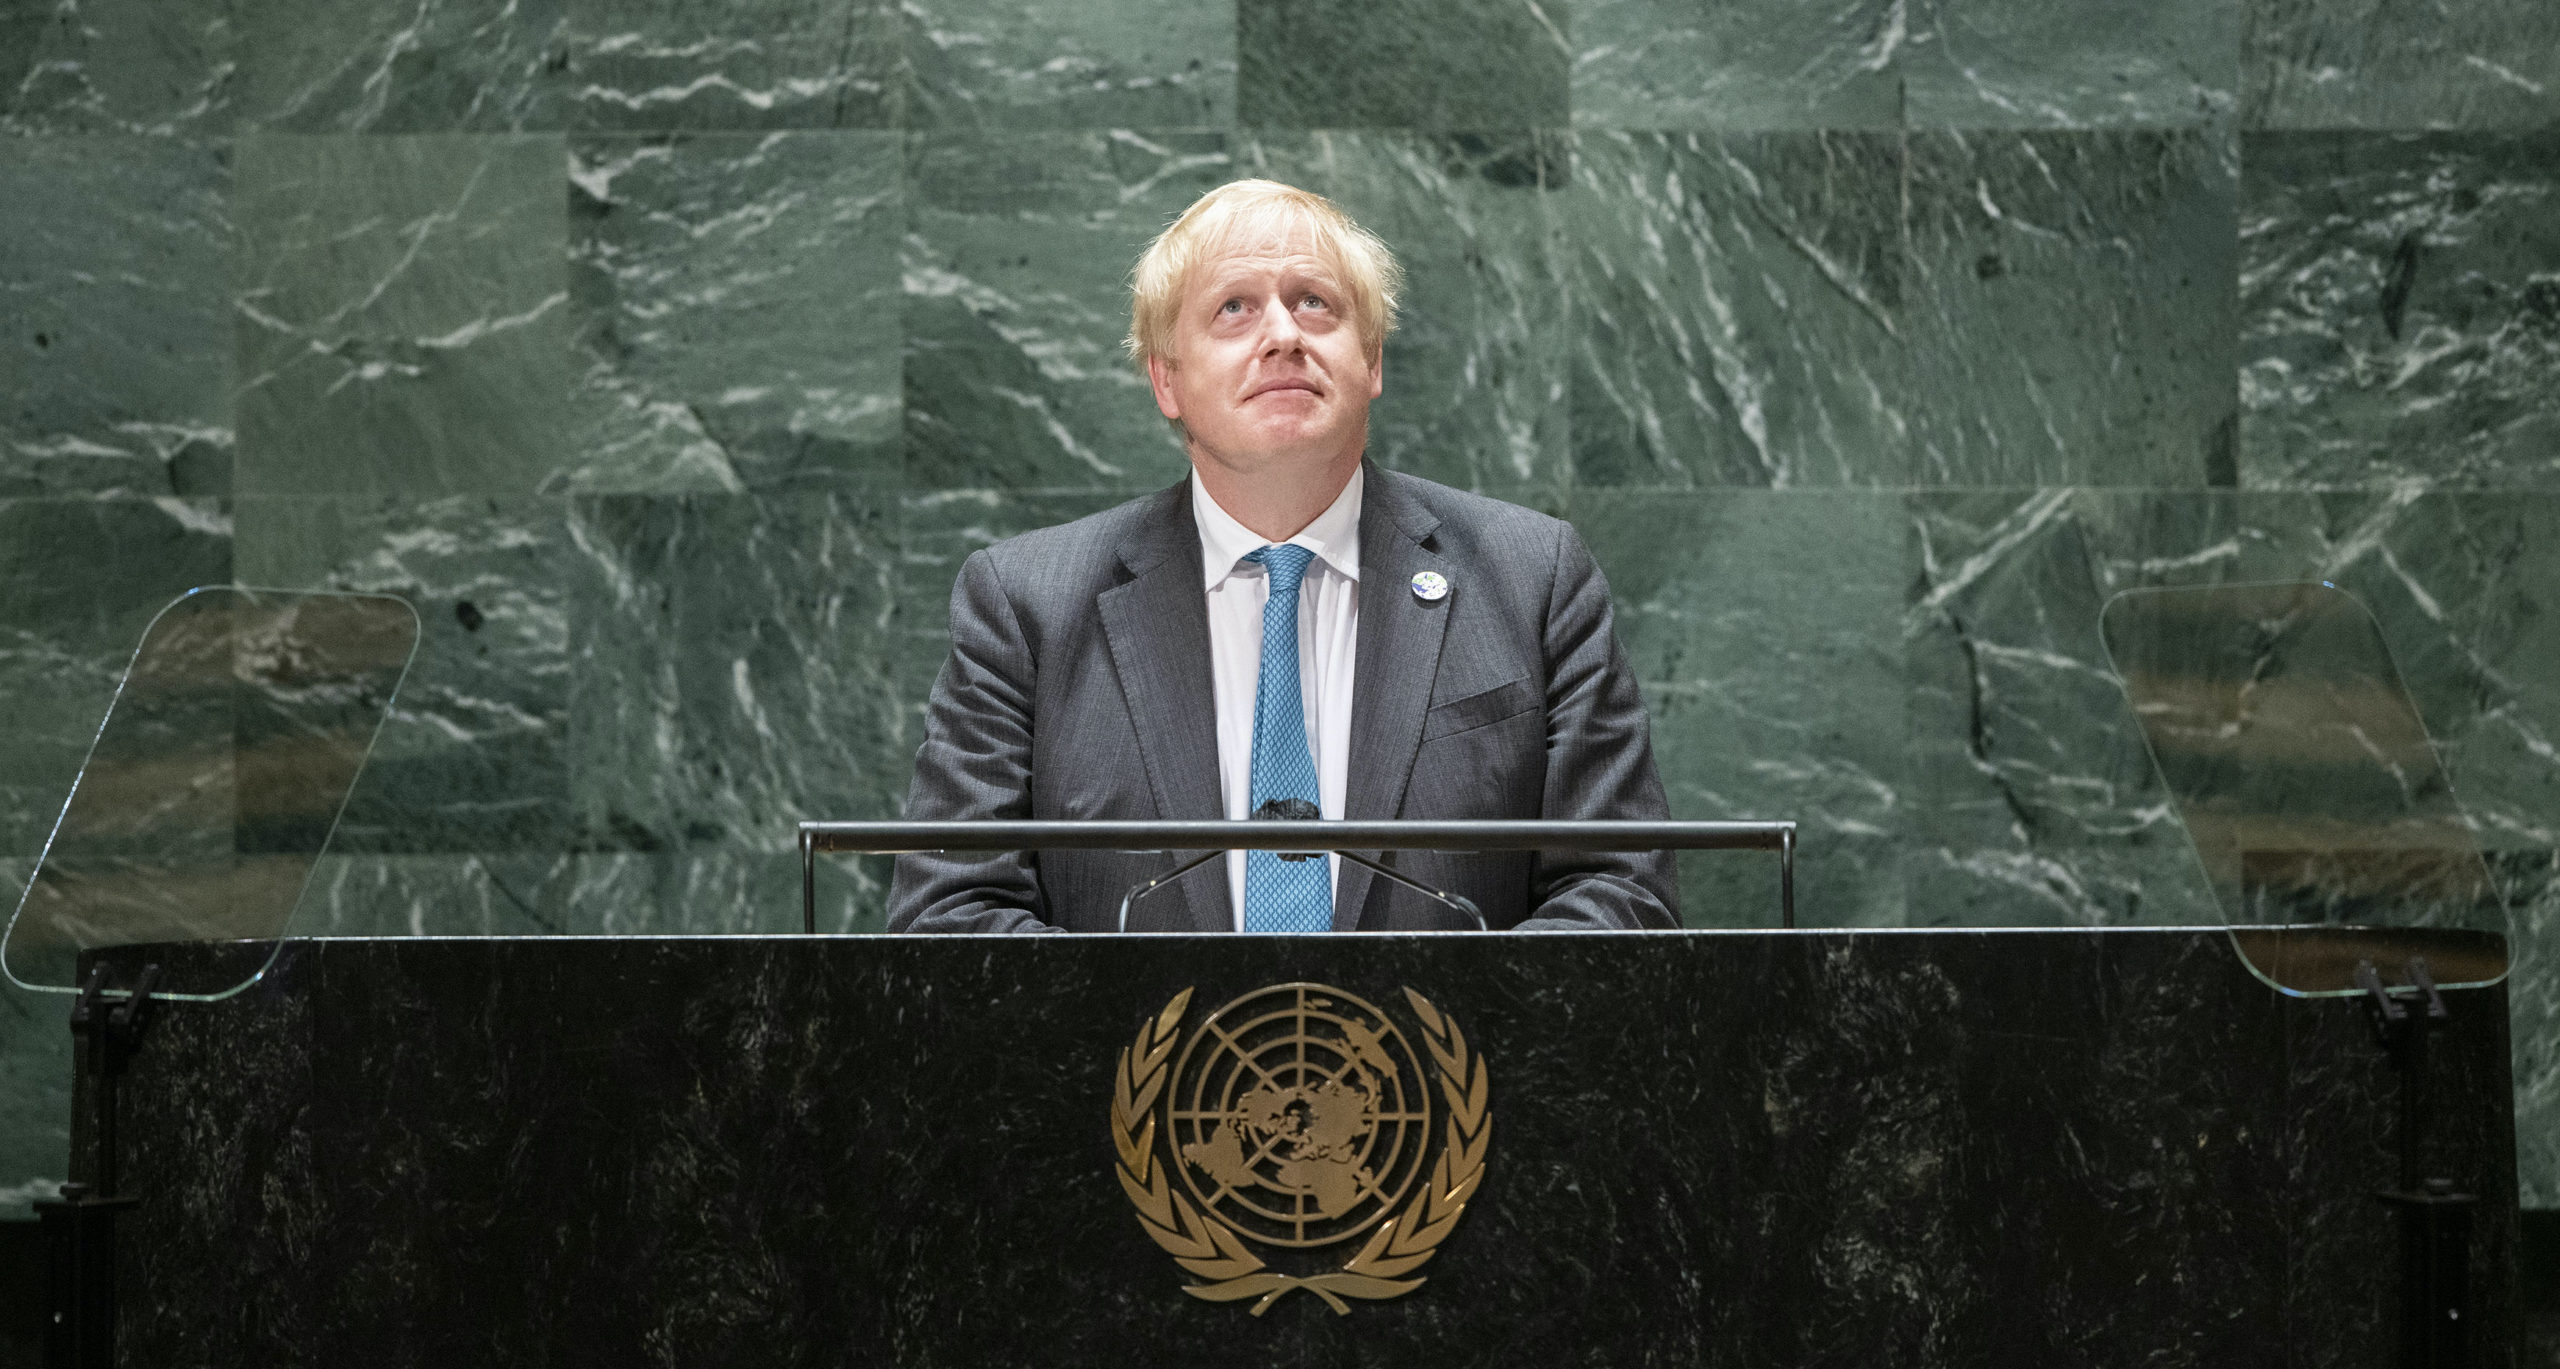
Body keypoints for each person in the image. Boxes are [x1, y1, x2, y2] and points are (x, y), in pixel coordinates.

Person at [888, 179, 1675, 933]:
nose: (1284, 335)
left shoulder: (1534, 579)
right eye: (1233, 308)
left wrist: (1421, 1026)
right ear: (1167, 379)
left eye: (1314, 303)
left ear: (1371, 361)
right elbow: (949, 915)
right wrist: (1183, 1028)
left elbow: (1621, 894)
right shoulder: (1026, 606)